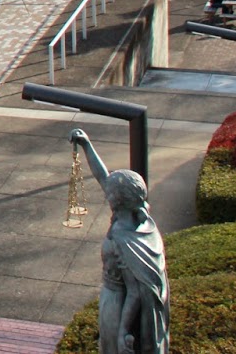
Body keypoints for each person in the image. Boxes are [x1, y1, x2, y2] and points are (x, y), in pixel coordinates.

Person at [69, 129, 169, 354]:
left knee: (112, 348)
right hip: (111, 297)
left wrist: (124, 331)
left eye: (109, 193)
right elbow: (103, 177)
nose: (106, 192)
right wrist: (87, 145)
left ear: (116, 199)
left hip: (115, 303)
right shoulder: (142, 224)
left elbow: (134, 293)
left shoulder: (124, 239)